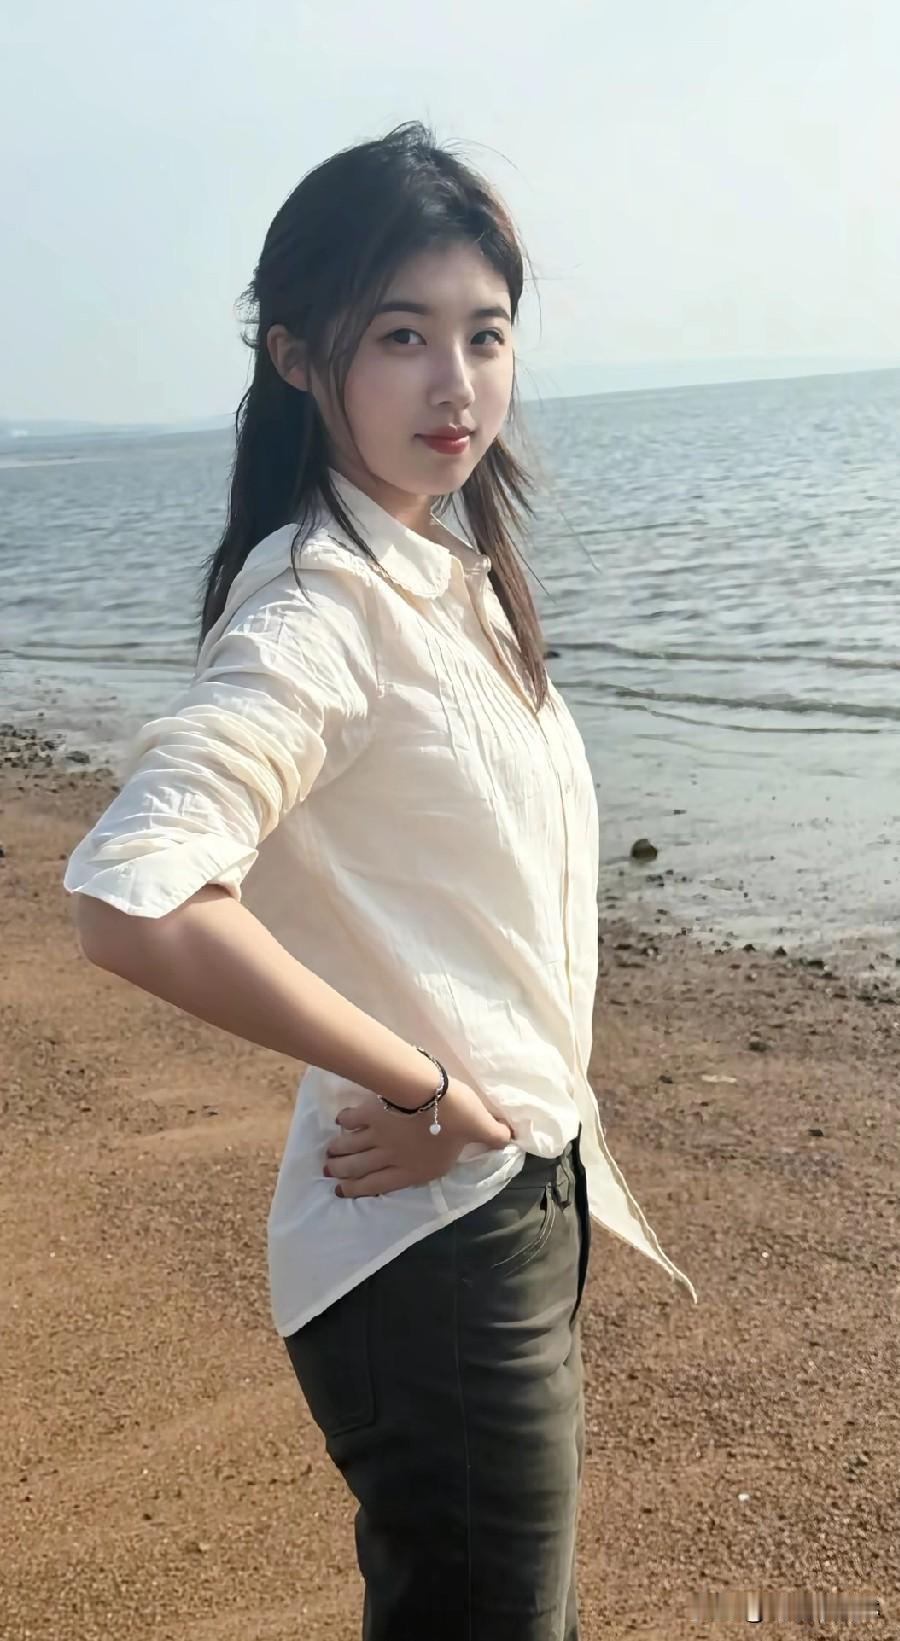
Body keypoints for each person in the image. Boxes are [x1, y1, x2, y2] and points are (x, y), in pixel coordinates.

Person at [64, 120, 697, 1641]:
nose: (455, 382)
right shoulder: (320, 605)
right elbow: (134, 895)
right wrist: (430, 1084)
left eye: (486, 333)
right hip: (432, 1240)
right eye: (402, 335)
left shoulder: (444, 577)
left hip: (512, 1191)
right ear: (298, 356)